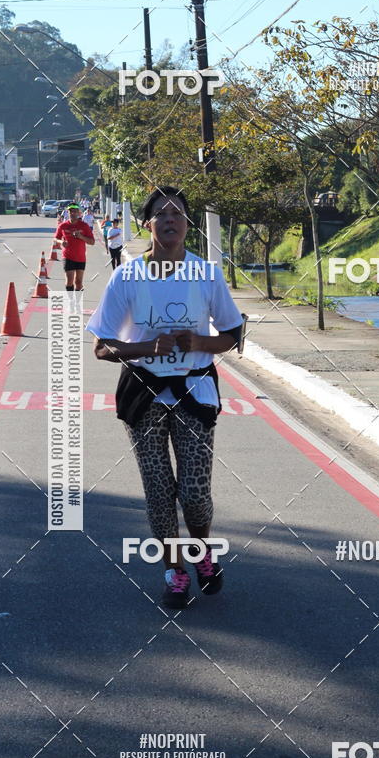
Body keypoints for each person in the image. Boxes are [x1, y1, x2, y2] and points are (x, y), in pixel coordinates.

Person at [86, 186, 244, 609]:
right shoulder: (127, 276)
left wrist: (199, 341)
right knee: (158, 493)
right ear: (148, 223)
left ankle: (202, 551)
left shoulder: (207, 274)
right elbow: (102, 346)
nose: (171, 220)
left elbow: (232, 334)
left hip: (194, 391)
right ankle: (174, 570)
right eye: (162, 214)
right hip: (144, 395)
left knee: (194, 494)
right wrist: (146, 349)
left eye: (178, 213)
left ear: (188, 224)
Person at [54, 202, 95, 291]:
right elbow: (55, 238)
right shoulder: (63, 226)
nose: (73, 213)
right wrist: (61, 242)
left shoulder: (84, 226)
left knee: (79, 282)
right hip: (67, 256)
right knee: (69, 281)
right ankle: (71, 302)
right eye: (71, 211)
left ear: (79, 213)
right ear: (67, 213)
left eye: (75, 211)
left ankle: (77, 303)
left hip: (80, 257)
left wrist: (81, 237)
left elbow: (92, 242)